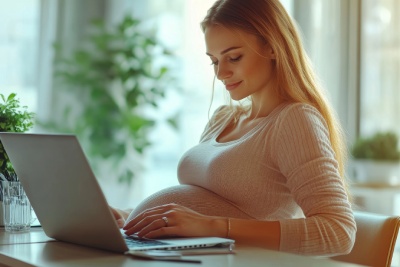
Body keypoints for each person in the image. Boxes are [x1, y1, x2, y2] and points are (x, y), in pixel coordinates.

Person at [111, 0, 356, 256]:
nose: (221, 73)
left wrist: (212, 226)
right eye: (214, 61)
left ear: (273, 46)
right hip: (175, 256)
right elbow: (204, 203)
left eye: (234, 57)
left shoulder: (294, 120)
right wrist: (129, 216)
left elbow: (337, 231)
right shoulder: (223, 118)